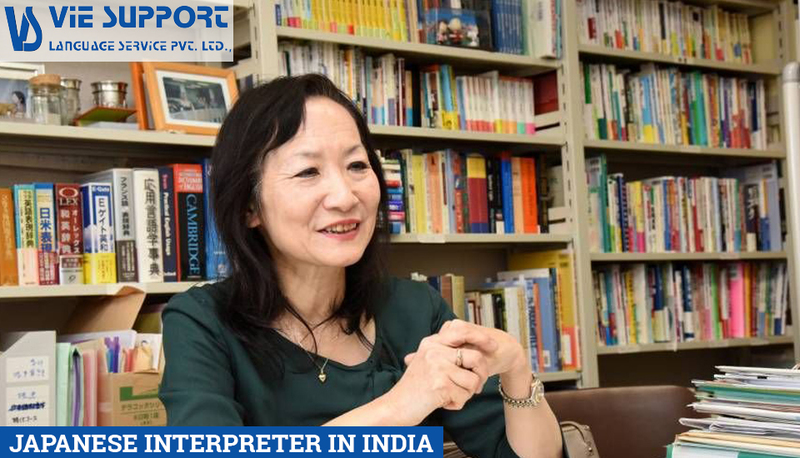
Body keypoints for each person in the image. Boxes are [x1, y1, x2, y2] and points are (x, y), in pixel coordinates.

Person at [159, 74, 564, 458]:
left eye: (357, 166)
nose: (345, 196)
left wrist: (516, 371)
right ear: (249, 206)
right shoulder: (202, 321)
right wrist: (401, 405)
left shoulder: (415, 309)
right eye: (308, 171)